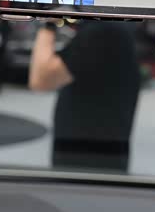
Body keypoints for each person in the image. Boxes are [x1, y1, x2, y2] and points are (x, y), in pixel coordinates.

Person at [29, 21, 141, 171]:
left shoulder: (102, 31)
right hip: (96, 151)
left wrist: (48, 24)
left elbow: (40, 80)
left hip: (84, 156)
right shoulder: (112, 27)